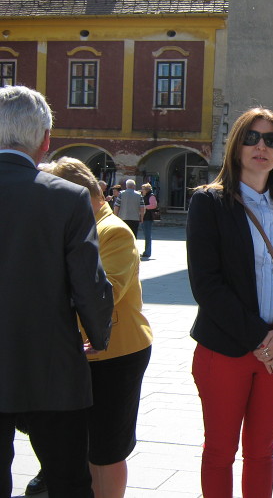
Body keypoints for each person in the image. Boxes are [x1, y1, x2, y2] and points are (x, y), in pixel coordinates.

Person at [187, 107, 273, 498]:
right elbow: (206, 285)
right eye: (251, 138)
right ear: (236, 146)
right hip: (226, 348)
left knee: (261, 451)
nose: (261, 146)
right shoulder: (209, 203)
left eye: (271, 140)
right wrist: (260, 338)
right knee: (220, 451)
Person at [0, 85, 113, 498]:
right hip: (51, 364)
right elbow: (89, 281)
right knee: (67, 480)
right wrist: (99, 334)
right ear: (46, 140)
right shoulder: (67, 197)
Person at [39, 157, 153, 498]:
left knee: (106, 449)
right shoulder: (79, 226)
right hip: (83, 351)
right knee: (85, 444)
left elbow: (107, 292)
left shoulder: (111, 230)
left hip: (116, 352)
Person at [140, 183, 158, 259]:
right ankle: (146, 251)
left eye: (143, 189)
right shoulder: (145, 196)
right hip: (144, 217)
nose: (142, 191)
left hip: (148, 218)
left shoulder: (151, 196)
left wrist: (144, 207)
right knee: (146, 235)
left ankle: (147, 252)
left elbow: (154, 205)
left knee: (147, 236)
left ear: (146, 190)